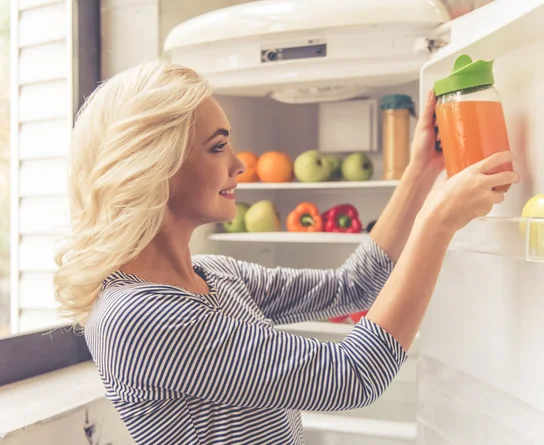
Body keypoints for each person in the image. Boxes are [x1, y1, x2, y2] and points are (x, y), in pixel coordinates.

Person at [54, 59, 518, 445]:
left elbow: (352, 286)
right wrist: (436, 224)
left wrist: (420, 172)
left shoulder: (213, 276)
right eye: (218, 148)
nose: (238, 164)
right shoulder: (137, 318)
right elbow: (349, 376)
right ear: (153, 169)